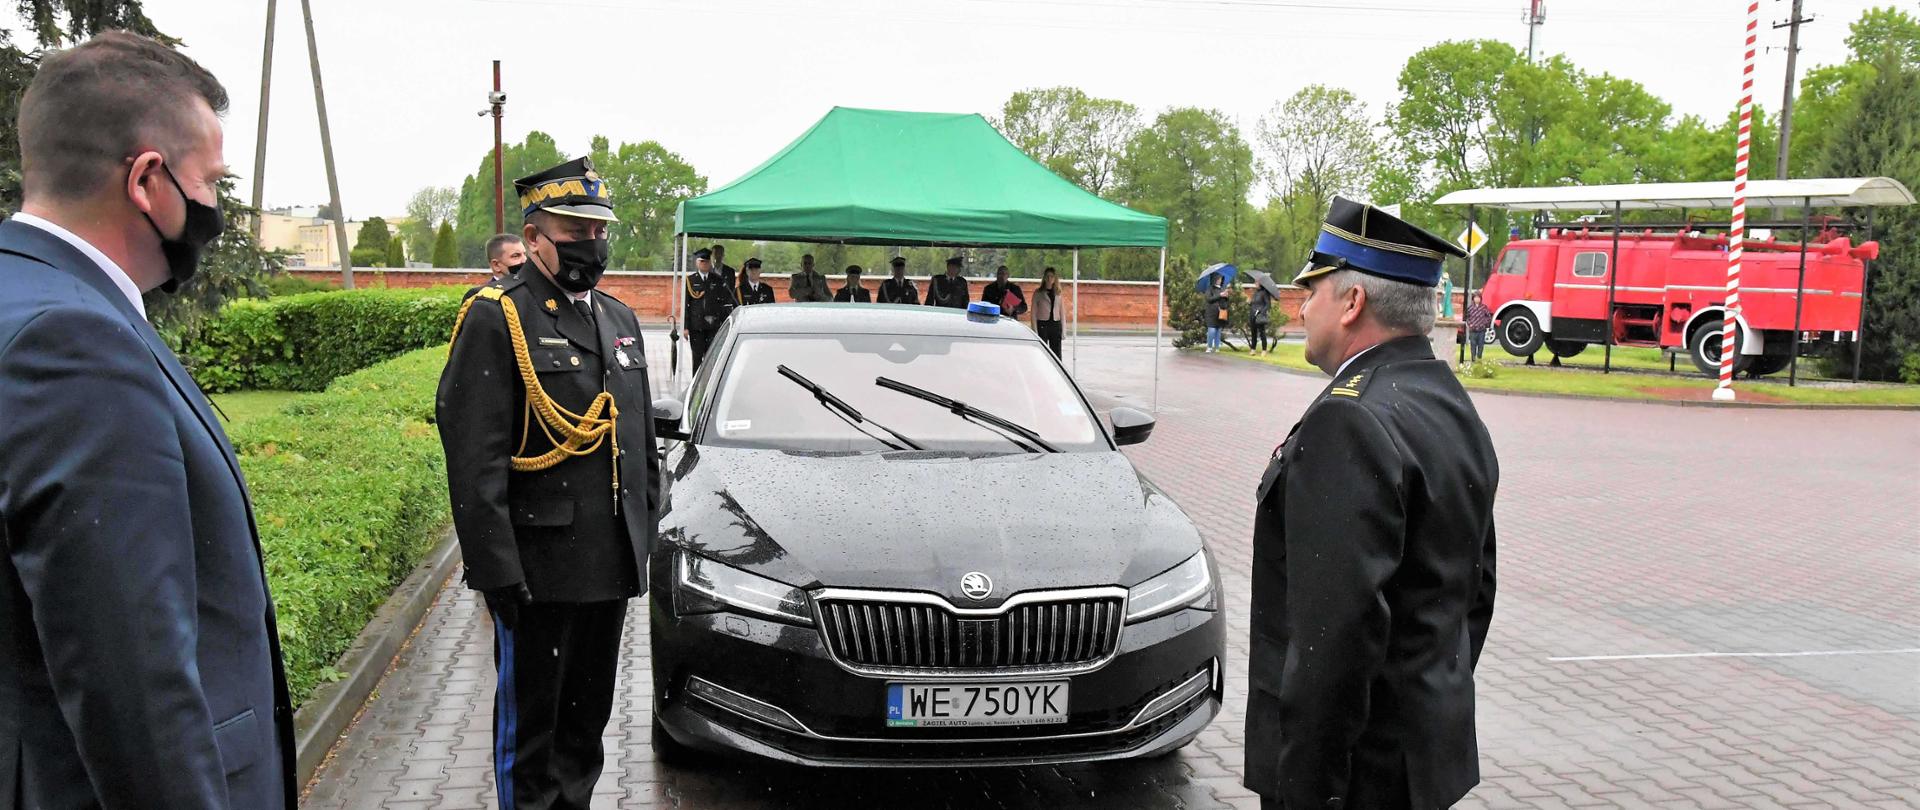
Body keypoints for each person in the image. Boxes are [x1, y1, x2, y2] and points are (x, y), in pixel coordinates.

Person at [0, 32, 296, 808]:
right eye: (211, 183)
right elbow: (131, 678)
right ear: (147, 181)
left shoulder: (24, 299)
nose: (216, 209)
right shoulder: (76, 344)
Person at [1245, 196, 1496, 810]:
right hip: (1418, 762)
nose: (1302, 308)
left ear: (1352, 303)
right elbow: (1475, 592)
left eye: (1315, 290)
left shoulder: (1349, 420)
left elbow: (1333, 641)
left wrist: (1309, 790)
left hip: (1355, 778)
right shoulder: (1447, 401)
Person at [438, 156, 660, 810]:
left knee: (584, 732)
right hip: (537, 570)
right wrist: (493, 568)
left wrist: (643, 531)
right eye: (573, 232)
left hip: (608, 564)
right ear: (533, 238)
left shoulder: (618, 319)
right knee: (531, 737)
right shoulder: (498, 316)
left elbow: (637, 437)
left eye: (598, 232)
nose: (592, 245)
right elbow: (473, 453)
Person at [683, 247, 735, 373]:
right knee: (697, 357)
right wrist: (685, 327)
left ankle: (708, 386)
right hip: (696, 326)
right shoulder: (690, 280)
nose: (704, 264)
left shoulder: (717, 279)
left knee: (711, 357)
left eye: (706, 262)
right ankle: (695, 385)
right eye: (701, 262)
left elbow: (723, 302)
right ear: (697, 263)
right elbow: (686, 304)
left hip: (713, 326)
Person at [466, 232, 527, 301]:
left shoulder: (531, 289)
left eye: (524, 254)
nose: (524, 260)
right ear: (496, 265)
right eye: (516, 256)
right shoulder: (481, 297)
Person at [1032, 266, 1065, 358]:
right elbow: (1033, 313)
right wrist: (1034, 330)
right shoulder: (1038, 292)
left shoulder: (1058, 293)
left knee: (1057, 352)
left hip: (1055, 324)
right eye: (1047, 276)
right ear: (1044, 278)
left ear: (1055, 279)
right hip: (1043, 324)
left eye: (1052, 276)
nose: (1049, 278)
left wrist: (1063, 330)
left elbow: (1062, 312)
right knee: (1042, 351)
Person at [1249, 277, 1275, 356]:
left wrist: (1261, 312)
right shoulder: (1255, 292)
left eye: (1257, 282)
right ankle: (1253, 349)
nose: (1255, 283)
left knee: (1262, 333)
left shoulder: (1264, 293)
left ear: (1261, 283)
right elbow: (1253, 303)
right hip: (1252, 314)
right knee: (1253, 333)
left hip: (1260, 316)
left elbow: (1268, 305)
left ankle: (1264, 350)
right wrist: (1249, 302)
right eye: (1255, 282)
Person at [1465, 292, 1492, 362]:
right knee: (1473, 345)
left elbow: (1488, 317)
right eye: (1475, 297)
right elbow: (1467, 318)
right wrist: (1470, 324)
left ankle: (1479, 357)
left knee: (1481, 345)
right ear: (1473, 298)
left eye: (1478, 297)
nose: (1477, 299)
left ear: (1480, 298)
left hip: (1481, 330)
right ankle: (1473, 358)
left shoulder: (1484, 307)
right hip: (1473, 330)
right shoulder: (1470, 308)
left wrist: (1484, 323)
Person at [1204, 278, 1229, 353]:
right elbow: (1209, 299)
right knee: (1212, 330)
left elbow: (1225, 301)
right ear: (1214, 279)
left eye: (1220, 279)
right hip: (1211, 312)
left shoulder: (1222, 288)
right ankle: (1209, 347)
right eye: (1218, 279)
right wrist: (1220, 295)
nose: (1219, 280)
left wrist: (1226, 296)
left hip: (1220, 312)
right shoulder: (1210, 288)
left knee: (1218, 330)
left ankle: (1217, 347)